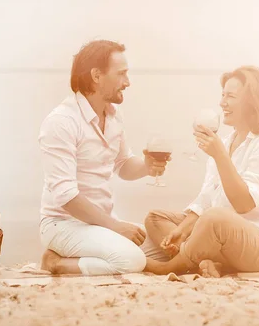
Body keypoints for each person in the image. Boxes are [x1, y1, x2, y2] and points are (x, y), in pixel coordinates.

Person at [144, 66, 259, 277]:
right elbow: (207, 198)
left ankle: (172, 265)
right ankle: (205, 259)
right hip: (232, 237)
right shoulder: (226, 142)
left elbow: (244, 204)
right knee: (155, 218)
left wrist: (220, 156)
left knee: (214, 219)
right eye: (222, 95)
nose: (222, 103)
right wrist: (183, 230)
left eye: (230, 96)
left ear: (252, 102)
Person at [38, 39, 170, 275]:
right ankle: (55, 262)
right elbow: (66, 196)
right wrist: (117, 227)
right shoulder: (61, 122)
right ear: (96, 76)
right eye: (121, 74)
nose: (127, 82)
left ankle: (90, 253)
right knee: (132, 261)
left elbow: (123, 165)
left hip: (100, 223)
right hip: (63, 225)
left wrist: (147, 167)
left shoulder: (113, 115)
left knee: (167, 248)